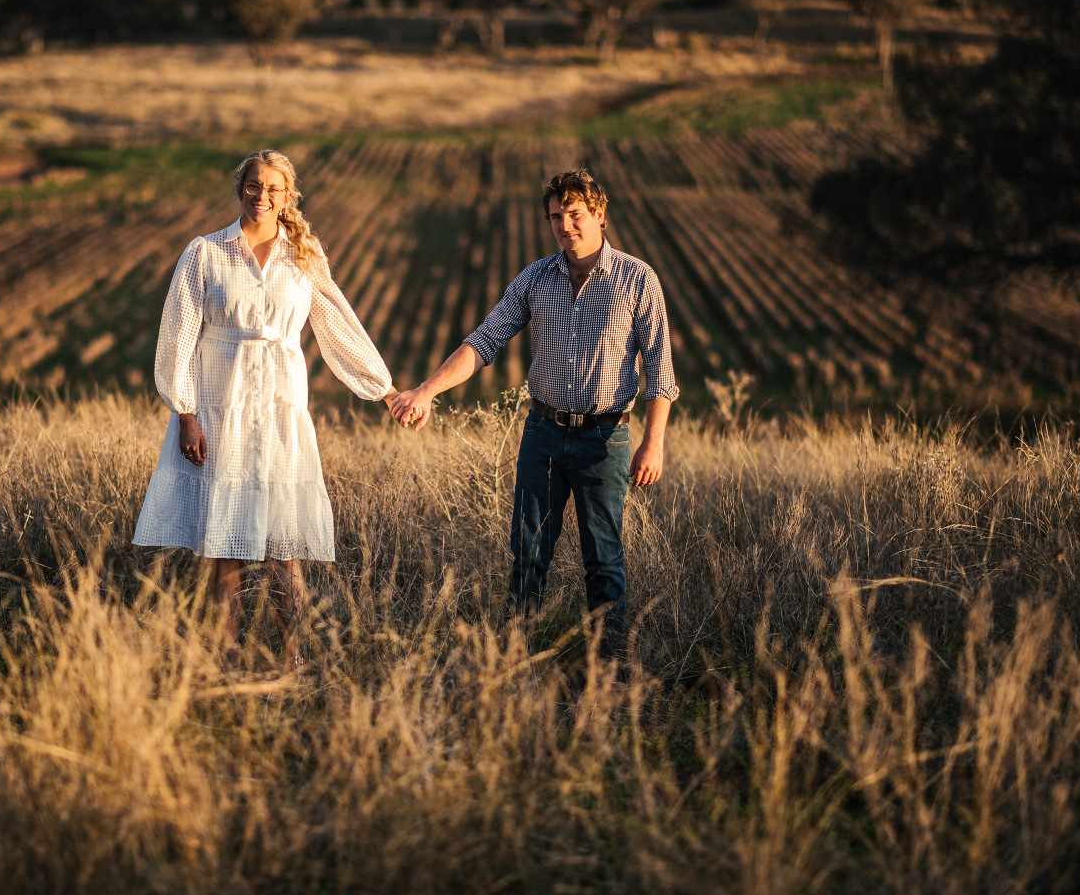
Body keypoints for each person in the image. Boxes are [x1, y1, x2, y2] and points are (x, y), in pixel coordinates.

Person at [389, 168, 676, 659]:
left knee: (604, 561)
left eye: (575, 214)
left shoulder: (637, 279)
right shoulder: (536, 278)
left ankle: (609, 674)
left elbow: (660, 369)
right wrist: (426, 390)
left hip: (604, 441)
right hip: (542, 433)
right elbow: (485, 340)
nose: (565, 225)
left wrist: (654, 443)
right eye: (556, 217)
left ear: (599, 215)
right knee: (528, 554)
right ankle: (514, 663)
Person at [133, 149, 399, 665]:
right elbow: (177, 337)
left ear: (287, 196)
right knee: (225, 547)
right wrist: (185, 414)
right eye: (254, 185)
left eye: (273, 188)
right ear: (240, 189)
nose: (262, 196)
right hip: (219, 408)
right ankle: (228, 658)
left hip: (280, 411)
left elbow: (338, 325)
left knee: (283, 544)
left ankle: (294, 659)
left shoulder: (304, 256)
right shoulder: (205, 253)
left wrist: (384, 389)